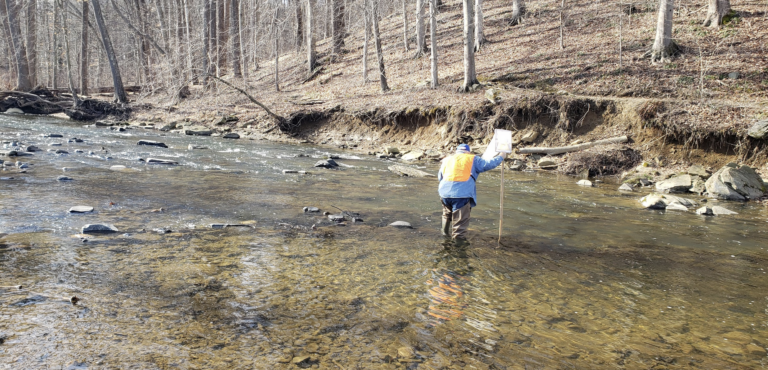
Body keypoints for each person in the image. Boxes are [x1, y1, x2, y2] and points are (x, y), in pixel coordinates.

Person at [438, 144, 505, 239]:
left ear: (457, 151)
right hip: (461, 194)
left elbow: (440, 177)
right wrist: (501, 156)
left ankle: (444, 236)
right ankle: (458, 249)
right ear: (468, 151)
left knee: (447, 214)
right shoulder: (473, 158)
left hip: (444, 193)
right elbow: (488, 164)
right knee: (460, 224)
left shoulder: (447, 160)